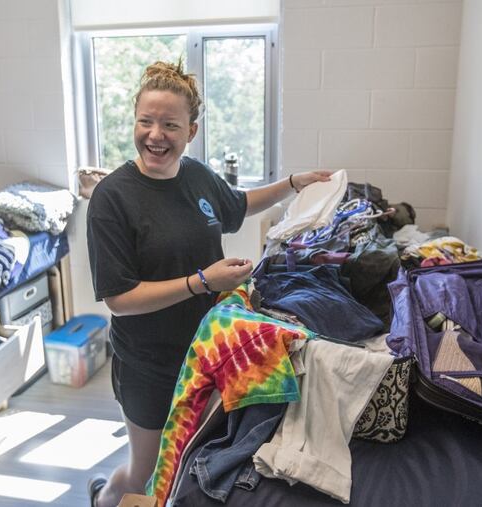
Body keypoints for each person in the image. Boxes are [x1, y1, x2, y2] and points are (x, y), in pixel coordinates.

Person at [86, 60, 331, 507]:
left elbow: (238, 204)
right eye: (146, 121)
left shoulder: (196, 175)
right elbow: (120, 299)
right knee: (145, 473)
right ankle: (104, 497)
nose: (155, 135)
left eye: (169, 125)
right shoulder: (112, 199)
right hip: (148, 364)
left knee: (182, 462)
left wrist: (294, 184)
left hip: (203, 353)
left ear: (191, 131)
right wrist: (203, 281)